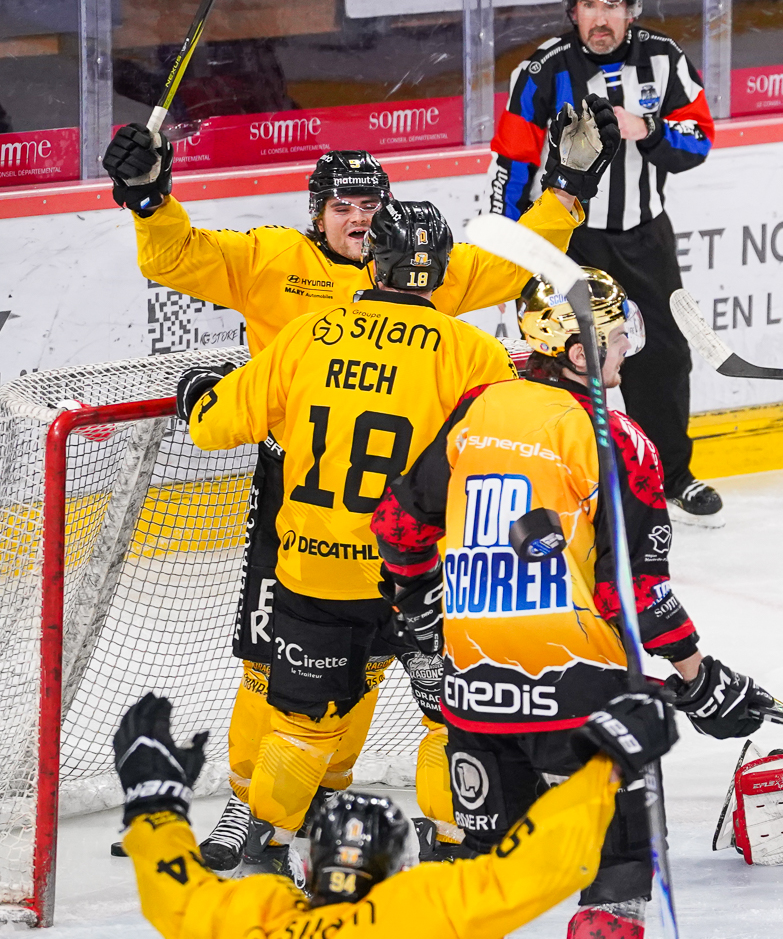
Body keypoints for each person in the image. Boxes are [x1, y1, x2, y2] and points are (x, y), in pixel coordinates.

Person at [99, 100, 617, 865]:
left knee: (341, 667)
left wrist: (565, 192)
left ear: (386, 224)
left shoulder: (374, 301)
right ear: (317, 212)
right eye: (343, 205)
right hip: (337, 497)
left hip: (376, 515)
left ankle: (301, 800)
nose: (358, 217)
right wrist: (151, 201)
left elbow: (513, 262)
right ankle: (257, 805)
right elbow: (178, 257)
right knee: (271, 661)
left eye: (370, 205)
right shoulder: (278, 259)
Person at [371, 269, 767, 939]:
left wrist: (417, 608)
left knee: (485, 886)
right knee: (614, 882)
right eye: (617, 338)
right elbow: (633, 591)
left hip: (475, 694)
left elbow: (398, 527)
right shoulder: (615, 439)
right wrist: (699, 677)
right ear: (580, 352)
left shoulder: (480, 408)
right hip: (581, 698)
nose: (626, 349)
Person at [175, 200, 533, 875]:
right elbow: (509, 457)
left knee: (299, 725)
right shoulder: (472, 352)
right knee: (449, 718)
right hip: (419, 578)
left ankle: (266, 844)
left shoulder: (310, 334)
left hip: (314, 573)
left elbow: (214, 425)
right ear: (442, 271)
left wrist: (199, 396)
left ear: (373, 260)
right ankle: (454, 845)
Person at [112, 688, 678, 939]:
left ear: (312, 867)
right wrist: (607, 766)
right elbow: (536, 867)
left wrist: (154, 805)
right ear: (397, 866)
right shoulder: (421, 910)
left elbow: (178, 897)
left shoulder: (256, 921)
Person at [488, 0, 723, 526]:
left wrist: (648, 129)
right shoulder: (542, 70)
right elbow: (512, 166)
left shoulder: (664, 58)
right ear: (572, 10)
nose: (601, 17)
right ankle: (562, 471)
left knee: (662, 356)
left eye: (613, 4)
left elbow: (698, 140)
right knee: (561, 358)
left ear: (631, 9)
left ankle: (670, 476)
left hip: (645, 238)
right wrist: (511, 251)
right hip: (569, 242)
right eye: (590, 4)